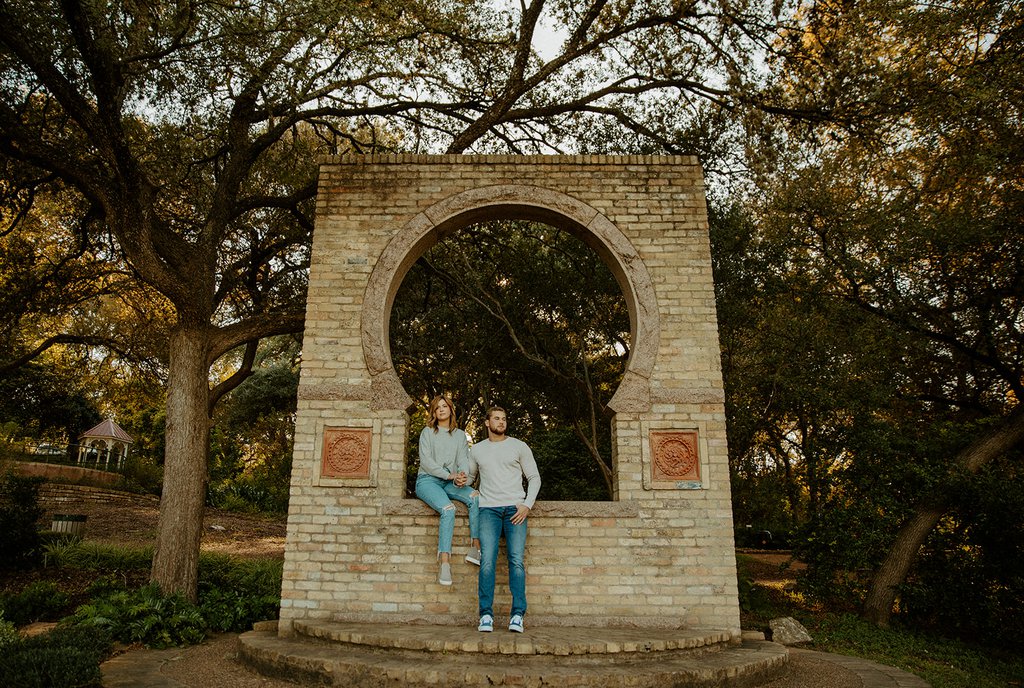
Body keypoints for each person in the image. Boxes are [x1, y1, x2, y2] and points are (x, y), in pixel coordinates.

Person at [472, 406, 540, 633]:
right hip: (488, 510)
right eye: (496, 418)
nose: (501, 422)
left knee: (516, 561)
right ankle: (485, 615)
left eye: (504, 419)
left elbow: (534, 478)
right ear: (487, 423)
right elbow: (471, 478)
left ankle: (518, 615)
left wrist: (527, 505)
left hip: (515, 510)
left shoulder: (519, 446)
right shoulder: (477, 450)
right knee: (487, 561)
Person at [415, 394, 481, 586]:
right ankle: (445, 562)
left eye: (445, 406)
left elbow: (463, 459)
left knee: (475, 497)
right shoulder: (427, 432)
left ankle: (475, 548)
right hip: (428, 481)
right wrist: (449, 476)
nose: (442, 409)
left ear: (451, 409)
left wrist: (463, 477)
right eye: (438, 407)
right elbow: (426, 462)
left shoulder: (460, 435)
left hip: (450, 482)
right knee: (448, 509)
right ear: (434, 412)